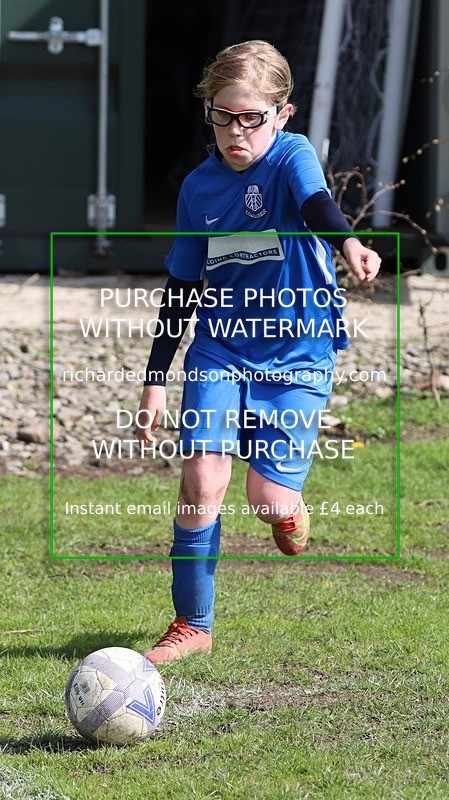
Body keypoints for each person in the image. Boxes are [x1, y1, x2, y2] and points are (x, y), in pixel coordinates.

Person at [137, 40, 381, 664]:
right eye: (224, 115)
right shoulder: (199, 188)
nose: (237, 131)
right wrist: (155, 380)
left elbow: (316, 204)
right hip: (220, 349)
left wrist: (348, 246)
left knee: (266, 502)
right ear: (210, 113)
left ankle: (289, 510)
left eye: (253, 117)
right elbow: (183, 287)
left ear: (283, 115)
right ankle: (193, 623)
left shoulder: (293, 158)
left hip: (299, 355)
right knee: (200, 479)